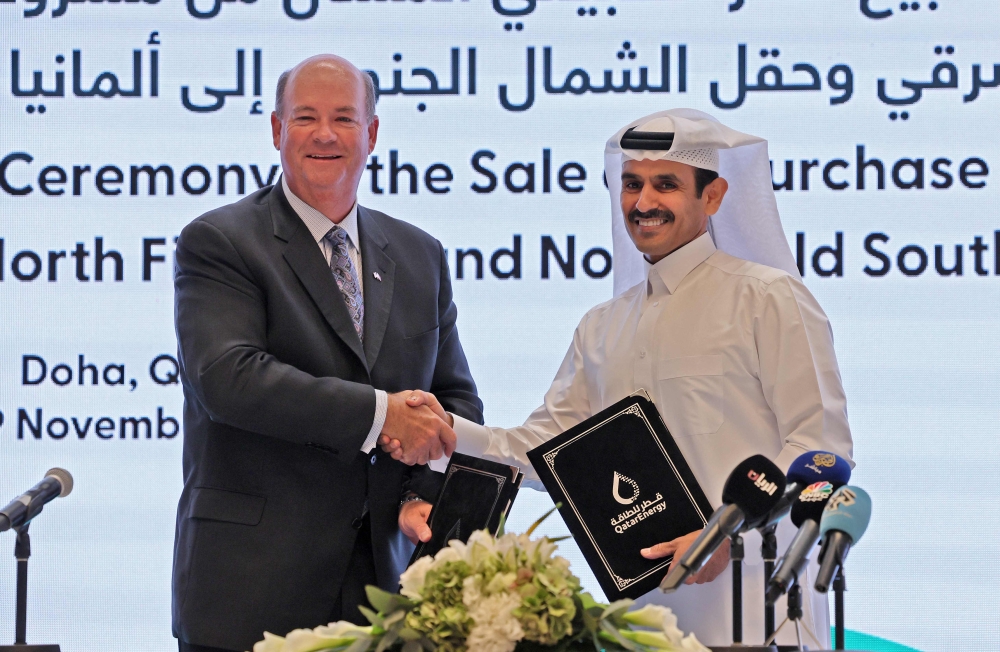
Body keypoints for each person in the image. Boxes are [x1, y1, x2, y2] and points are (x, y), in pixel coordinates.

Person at [388, 109, 854, 647]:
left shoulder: (768, 298)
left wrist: (727, 536)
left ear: (714, 196)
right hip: (644, 626)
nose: (644, 202)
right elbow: (545, 449)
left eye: (666, 185)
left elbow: (819, 447)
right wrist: (447, 432)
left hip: (759, 611)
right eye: (632, 184)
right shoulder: (602, 326)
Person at [171, 54, 482, 652]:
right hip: (250, 591)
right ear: (275, 131)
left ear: (370, 135)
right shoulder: (220, 241)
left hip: (387, 592)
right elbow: (228, 377)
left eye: (343, 118)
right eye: (305, 117)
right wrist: (380, 415)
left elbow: (455, 398)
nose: (323, 134)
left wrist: (423, 491)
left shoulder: (421, 254)